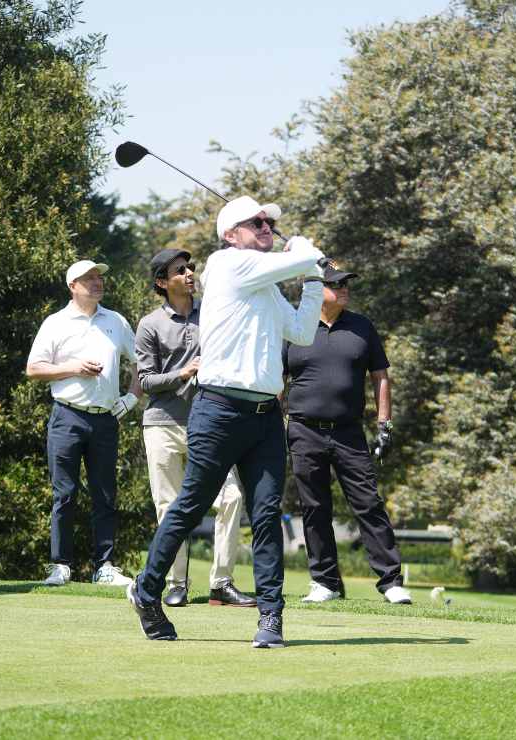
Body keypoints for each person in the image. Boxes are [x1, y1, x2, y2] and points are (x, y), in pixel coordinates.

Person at [127, 195, 325, 648]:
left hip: (263, 418)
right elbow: (294, 260)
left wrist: (314, 279)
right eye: (255, 222)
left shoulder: (269, 287)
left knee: (267, 514)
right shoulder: (224, 265)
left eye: (268, 223)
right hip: (218, 410)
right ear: (231, 234)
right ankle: (147, 589)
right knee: (191, 504)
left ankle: (271, 618)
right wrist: (307, 253)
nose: (265, 226)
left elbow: (302, 331)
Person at [282, 265, 412, 605]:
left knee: (368, 503)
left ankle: (391, 581)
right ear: (315, 289)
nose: (343, 289)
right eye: (335, 284)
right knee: (314, 507)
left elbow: (380, 376)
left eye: (346, 284)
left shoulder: (362, 326)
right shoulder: (294, 327)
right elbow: (276, 381)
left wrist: (384, 424)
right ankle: (324, 582)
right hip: (303, 430)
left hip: (349, 432)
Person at [134, 248, 255, 608]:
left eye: (191, 268)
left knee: (231, 497)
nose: (189, 274)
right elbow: (146, 381)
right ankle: (176, 584)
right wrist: (183, 373)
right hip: (163, 424)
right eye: (179, 270)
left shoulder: (215, 315)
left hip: (210, 422)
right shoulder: (149, 324)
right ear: (162, 282)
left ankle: (221, 583)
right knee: (169, 506)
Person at [26, 259, 142, 588]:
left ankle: (104, 565)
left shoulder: (116, 321)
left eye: (99, 277)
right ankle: (61, 565)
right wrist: (74, 368)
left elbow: (140, 364)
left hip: (105, 418)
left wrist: (131, 398)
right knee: (64, 493)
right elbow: (34, 369)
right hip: (67, 415)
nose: (97, 282)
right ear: (72, 286)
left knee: (105, 494)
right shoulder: (56, 322)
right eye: (88, 278)